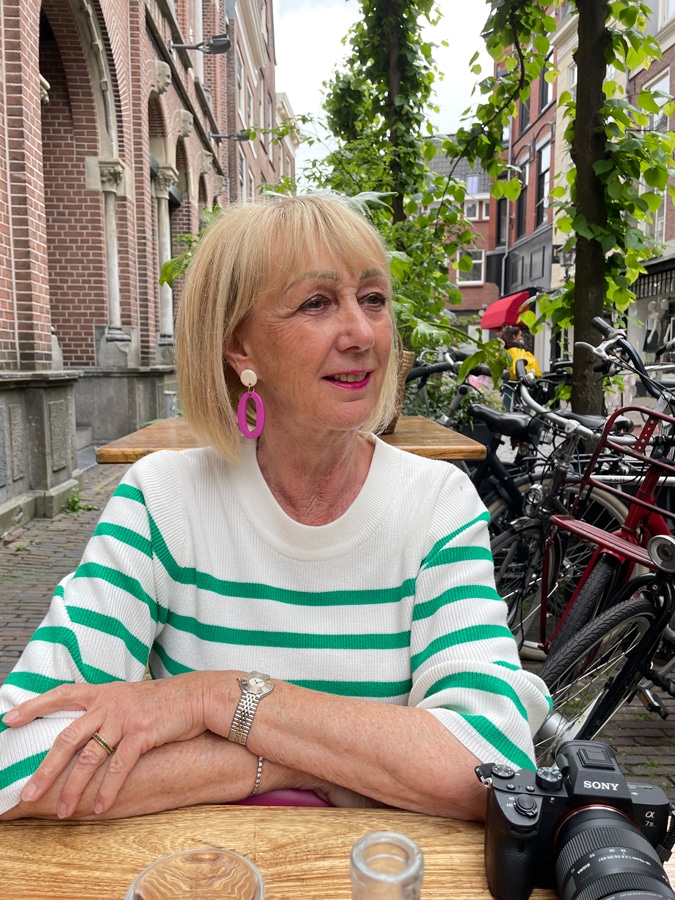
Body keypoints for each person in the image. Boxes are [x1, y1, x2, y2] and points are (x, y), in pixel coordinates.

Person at [0, 194, 550, 823]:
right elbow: (18, 760)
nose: (362, 334)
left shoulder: (435, 504)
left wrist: (220, 700)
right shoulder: (166, 501)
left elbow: (495, 766)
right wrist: (286, 763)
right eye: (317, 303)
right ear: (240, 348)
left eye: (373, 299)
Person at [500, 325, 541, 410]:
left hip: (508, 374)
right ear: (514, 336)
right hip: (518, 373)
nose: (521, 337)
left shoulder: (506, 346)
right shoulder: (519, 346)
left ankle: (505, 411)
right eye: (520, 335)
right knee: (517, 395)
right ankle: (516, 411)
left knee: (507, 394)